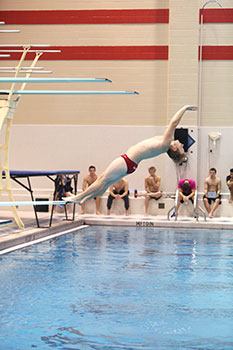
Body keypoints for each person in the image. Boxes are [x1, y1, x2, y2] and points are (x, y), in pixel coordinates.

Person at [64, 105, 197, 205]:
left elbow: (173, 123)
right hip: (131, 165)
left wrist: (184, 108)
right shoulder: (165, 142)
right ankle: (84, 199)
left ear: (174, 148)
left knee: (102, 179)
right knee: (104, 184)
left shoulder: (166, 143)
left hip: (127, 161)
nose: (183, 145)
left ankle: (77, 197)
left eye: (181, 147)